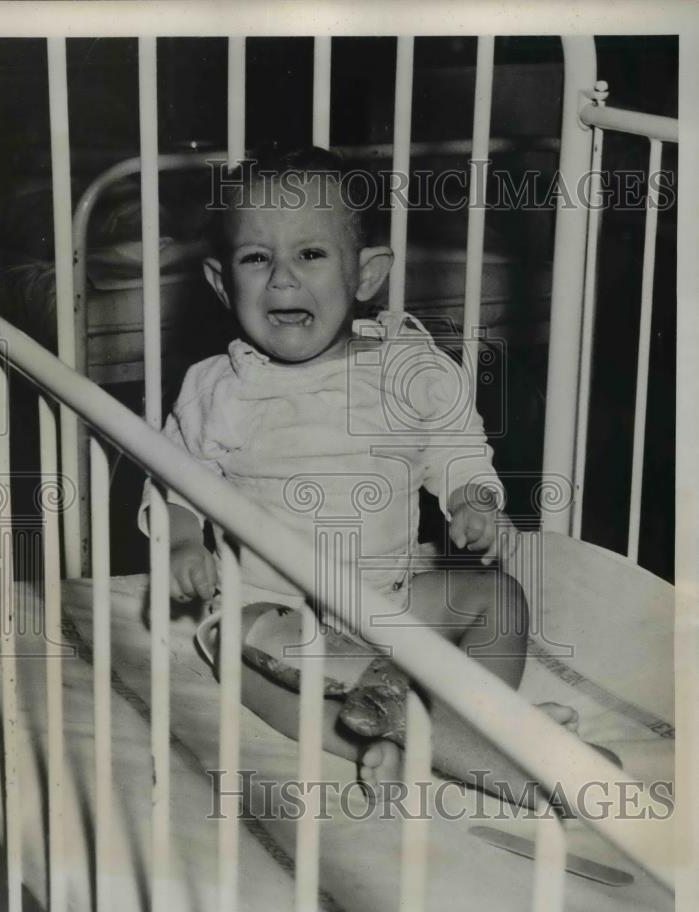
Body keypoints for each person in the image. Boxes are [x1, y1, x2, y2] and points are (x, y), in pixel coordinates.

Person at [139, 147, 579, 797]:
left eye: (310, 255)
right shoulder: (223, 388)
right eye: (255, 258)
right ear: (219, 282)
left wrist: (471, 499)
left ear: (367, 275)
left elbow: (457, 448)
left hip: (393, 605)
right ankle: (467, 754)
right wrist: (179, 539)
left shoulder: (410, 370)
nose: (282, 280)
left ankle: (478, 722)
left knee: (497, 599)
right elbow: (174, 480)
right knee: (269, 677)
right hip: (276, 616)